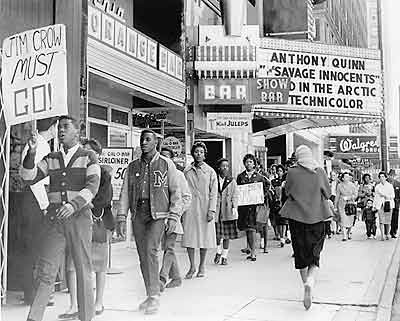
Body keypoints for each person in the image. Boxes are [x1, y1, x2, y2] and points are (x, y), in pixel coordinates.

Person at [20, 115, 100, 321]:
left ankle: (86, 317)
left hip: (80, 219)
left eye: (66, 127)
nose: (61, 131)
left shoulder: (89, 156)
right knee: (47, 270)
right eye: (59, 127)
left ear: (77, 131)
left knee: (83, 269)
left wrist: (73, 206)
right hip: (55, 221)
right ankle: (34, 317)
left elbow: (93, 186)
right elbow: (29, 177)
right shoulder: (52, 158)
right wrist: (31, 154)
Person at [117, 129, 182, 314]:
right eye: (142, 139)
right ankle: (150, 293)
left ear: (156, 143)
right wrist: (122, 216)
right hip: (138, 213)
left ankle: (154, 296)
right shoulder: (132, 167)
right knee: (142, 256)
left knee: (151, 251)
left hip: (158, 214)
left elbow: (176, 192)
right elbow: (124, 192)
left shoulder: (166, 164)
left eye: (148, 140)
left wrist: (173, 216)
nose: (143, 143)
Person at [60, 139, 114, 319]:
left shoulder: (105, 175)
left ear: (97, 155)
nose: (86, 155)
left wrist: (82, 202)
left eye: (90, 152)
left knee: (98, 265)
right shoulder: (76, 173)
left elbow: (104, 200)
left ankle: (98, 302)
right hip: (77, 222)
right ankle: (74, 304)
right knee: (73, 264)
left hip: (98, 222)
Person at [280, 145, 331, 310]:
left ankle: (306, 286)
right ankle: (311, 282)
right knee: (315, 255)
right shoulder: (320, 171)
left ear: (298, 157)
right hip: (317, 218)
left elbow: (287, 191)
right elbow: (328, 194)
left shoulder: (292, 172)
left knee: (300, 255)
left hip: (297, 219)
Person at [19, 118, 57, 305]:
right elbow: (36, 182)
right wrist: (44, 206)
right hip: (35, 201)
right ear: (53, 127)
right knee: (35, 247)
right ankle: (32, 293)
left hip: (32, 200)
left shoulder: (40, 145)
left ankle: (31, 291)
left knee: (33, 247)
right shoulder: (41, 147)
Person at [182, 142, 218, 278]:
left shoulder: (210, 171)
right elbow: (182, 190)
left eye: (201, 152)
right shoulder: (186, 171)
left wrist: (212, 210)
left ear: (205, 154)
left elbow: (214, 193)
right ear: (193, 153)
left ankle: (202, 266)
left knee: (204, 238)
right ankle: (192, 266)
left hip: (205, 207)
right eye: (196, 151)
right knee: (189, 238)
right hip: (189, 208)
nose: (199, 154)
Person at [159, 147, 192, 291]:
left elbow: (187, 197)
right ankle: (177, 277)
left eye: (168, 157)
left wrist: (177, 212)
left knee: (169, 247)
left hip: (173, 217)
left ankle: (162, 277)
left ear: (172, 160)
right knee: (166, 248)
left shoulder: (178, 175)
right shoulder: (156, 174)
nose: (165, 160)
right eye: (162, 157)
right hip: (158, 218)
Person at [237, 154, 269, 261]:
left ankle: (253, 252)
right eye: (246, 162)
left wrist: (261, 197)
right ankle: (251, 249)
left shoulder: (259, 177)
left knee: (252, 229)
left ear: (254, 164)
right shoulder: (240, 176)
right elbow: (238, 190)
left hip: (255, 207)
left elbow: (266, 188)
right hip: (244, 207)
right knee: (247, 229)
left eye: (250, 162)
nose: (248, 164)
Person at [213, 158, 239, 266]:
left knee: (227, 236)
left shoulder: (231, 181)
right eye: (223, 166)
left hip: (227, 210)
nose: (225, 168)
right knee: (218, 235)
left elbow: (235, 195)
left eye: (227, 166)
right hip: (217, 210)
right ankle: (218, 251)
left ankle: (224, 256)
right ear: (219, 167)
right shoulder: (214, 179)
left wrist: (234, 207)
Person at [335, 172, 358, 241]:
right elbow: (337, 196)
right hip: (342, 204)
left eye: (348, 177)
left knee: (350, 220)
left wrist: (349, 197)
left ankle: (348, 233)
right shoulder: (339, 185)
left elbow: (355, 195)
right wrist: (335, 205)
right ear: (342, 178)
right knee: (342, 219)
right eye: (346, 177)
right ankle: (344, 236)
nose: (347, 178)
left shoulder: (352, 185)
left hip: (350, 204)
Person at [271, 164, 290, 247]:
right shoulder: (274, 181)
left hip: (285, 203)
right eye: (278, 171)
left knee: (285, 221)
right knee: (278, 221)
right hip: (276, 203)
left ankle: (285, 237)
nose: (279, 172)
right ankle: (280, 236)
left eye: (280, 171)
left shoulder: (287, 181)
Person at [374, 171, 395, 241]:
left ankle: (387, 234)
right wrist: (374, 206)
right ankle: (382, 235)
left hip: (388, 204)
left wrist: (385, 196)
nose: (381, 178)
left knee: (388, 220)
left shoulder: (390, 186)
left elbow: (393, 196)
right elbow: (375, 197)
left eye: (383, 176)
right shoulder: (377, 186)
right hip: (380, 205)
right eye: (380, 177)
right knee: (381, 221)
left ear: (386, 177)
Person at [388, 169, 400, 238]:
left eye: (393, 175)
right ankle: (386, 231)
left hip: (396, 203)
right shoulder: (386, 183)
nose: (391, 177)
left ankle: (393, 231)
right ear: (388, 175)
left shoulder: (398, 183)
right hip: (387, 203)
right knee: (387, 217)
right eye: (390, 175)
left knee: (395, 218)